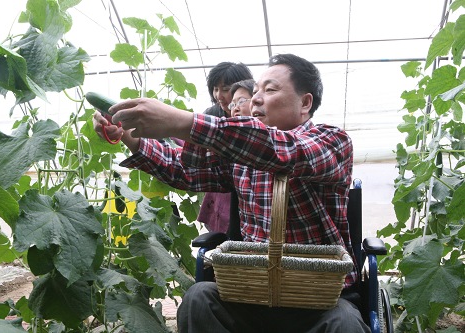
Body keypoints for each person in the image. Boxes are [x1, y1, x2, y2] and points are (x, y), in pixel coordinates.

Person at [92, 53, 370, 333]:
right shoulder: (239, 159)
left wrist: (184, 123)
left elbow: (283, 152)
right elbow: (181, 169)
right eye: (257, 91)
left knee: (345, 322)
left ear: (305, 103)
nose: (256, 99)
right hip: (252, 295)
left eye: (270, 90)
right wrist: (131, 138)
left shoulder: (333, 141)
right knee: (199, 299)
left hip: (323, 300)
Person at [197, 62, 253, 235]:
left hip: (246, 191)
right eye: (215, 89)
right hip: (221, 189)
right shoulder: (211, 114)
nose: (218, 95)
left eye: (225, 89)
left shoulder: (255, 120)